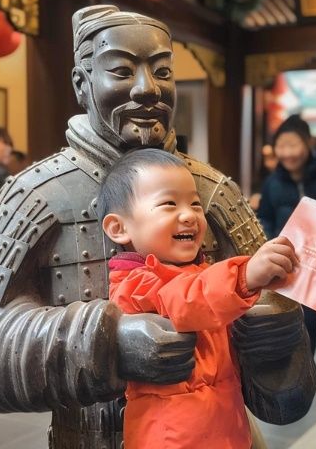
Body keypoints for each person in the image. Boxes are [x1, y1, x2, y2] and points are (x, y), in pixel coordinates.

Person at [0, 4, 316, 448]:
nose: (147, 90)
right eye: (122, 71)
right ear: (82, 84)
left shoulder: (213, 192)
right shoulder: (34, 194)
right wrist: (105, 344)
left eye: (162, 71)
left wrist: (274, 340)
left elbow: (284, 397)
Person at [97, 148, 299, 448]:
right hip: (172, 436)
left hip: (225, 425)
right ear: (119, 227)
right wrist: (244, 276)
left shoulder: (202, 271)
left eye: (195, 203)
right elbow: (186, 300)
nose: (190, 215)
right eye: (169, 203)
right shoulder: (133, 284)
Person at [258, 114, 316, 354]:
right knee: (278, 321)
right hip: (283, 264)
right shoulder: (272, 183)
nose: (287, 152)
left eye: (292, 144)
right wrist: (271, 243)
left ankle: (304, 372)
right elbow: (265, 217)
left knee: (308, 324)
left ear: (309, 143)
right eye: (281, 145)